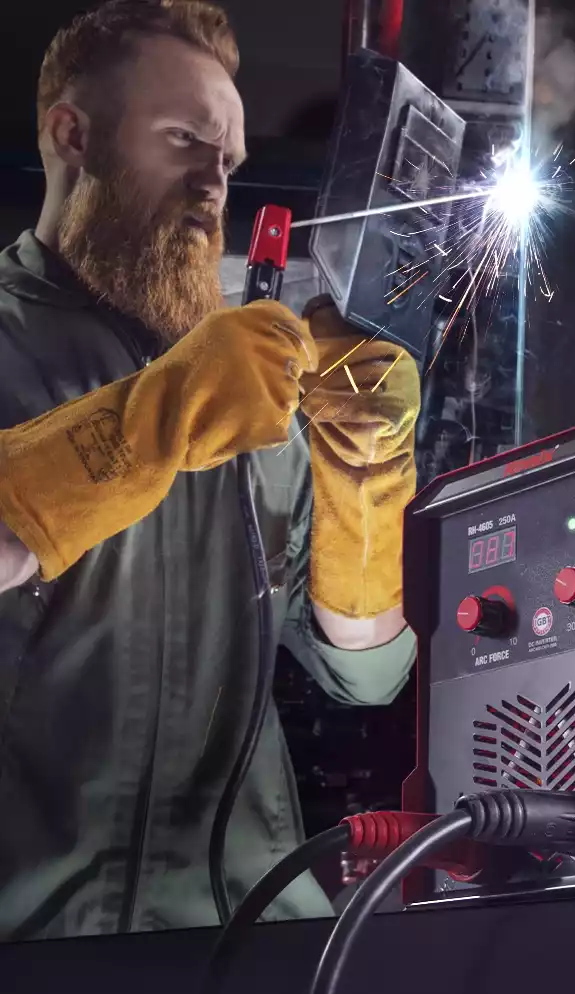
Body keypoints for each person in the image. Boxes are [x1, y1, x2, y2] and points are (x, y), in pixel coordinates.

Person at [0, 0, 420, 939]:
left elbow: (366, 668)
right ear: (72, 135)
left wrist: (364, 473)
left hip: (247, 941)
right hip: (27, 956)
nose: (211, 183)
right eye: (184, 139)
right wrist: (156, 421)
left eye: (226, 159)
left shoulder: (251, 392)